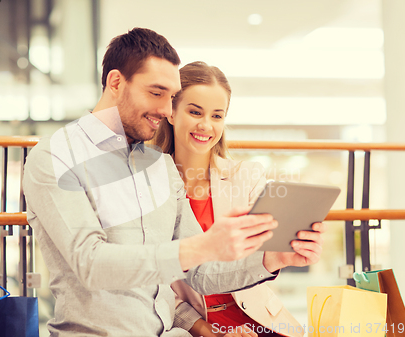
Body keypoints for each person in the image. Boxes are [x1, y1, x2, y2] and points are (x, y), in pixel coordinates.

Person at [23, 28, 324, 337]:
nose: (167, 110)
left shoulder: (160, 167)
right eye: (157, 93)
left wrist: (273, 258)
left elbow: (201, 273)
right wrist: (201, 246)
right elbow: (90, 263)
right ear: (116, 82)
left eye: (171, 97)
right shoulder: (54, 156)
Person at [154, 61, 322, 337]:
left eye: (217, 116)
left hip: (258, 320)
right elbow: (156, 285)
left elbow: (264, 254)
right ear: (171, 113)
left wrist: (291, 246)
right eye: (195, 111)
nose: (206, 125)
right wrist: (210, 333)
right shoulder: (150, 185)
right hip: (193, 327)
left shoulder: (246, 176)